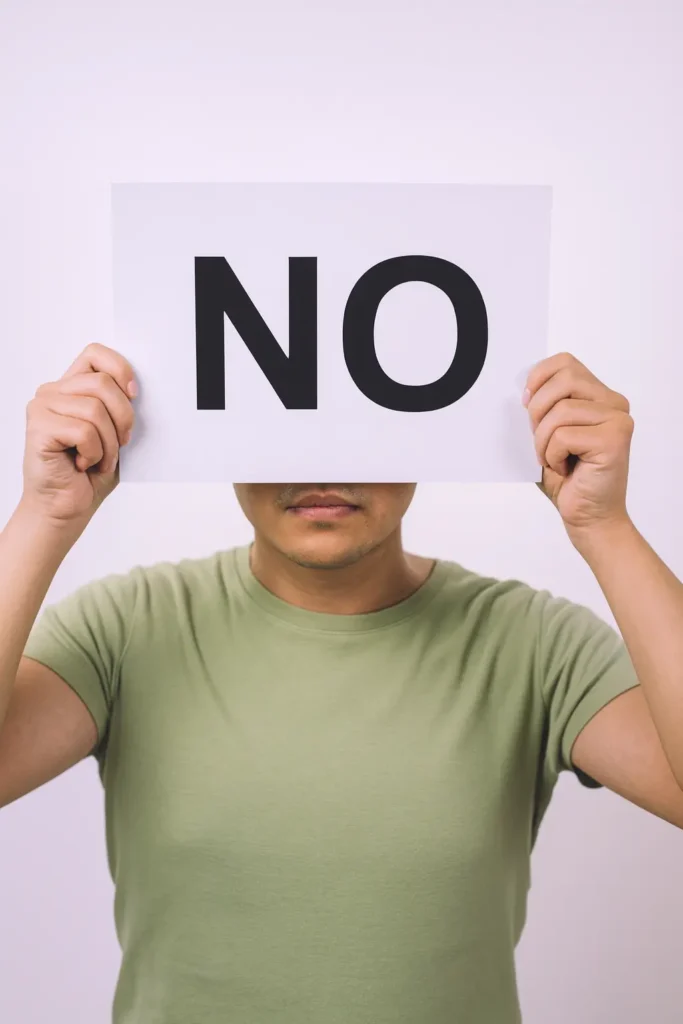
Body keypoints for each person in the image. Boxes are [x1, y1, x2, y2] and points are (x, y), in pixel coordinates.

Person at [1, 343, 682, 1024]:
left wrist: (604, 525)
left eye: (364, 424)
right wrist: (44, 515)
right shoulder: (127, 629)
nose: (322, 466)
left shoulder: (534, 644)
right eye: (285, 425)